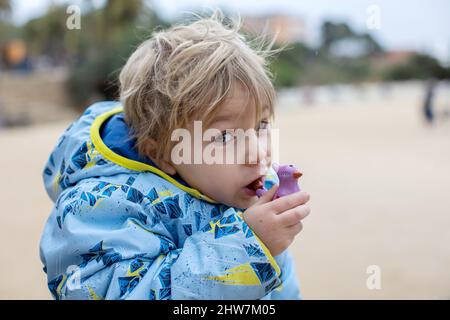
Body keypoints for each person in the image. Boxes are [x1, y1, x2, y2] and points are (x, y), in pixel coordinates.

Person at [39, 13, 311, 300]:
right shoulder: (102, 209)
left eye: (262, 125)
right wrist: (248, 250)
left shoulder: (252, 195)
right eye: (224, 137)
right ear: (163, 153)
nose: (258, 153)